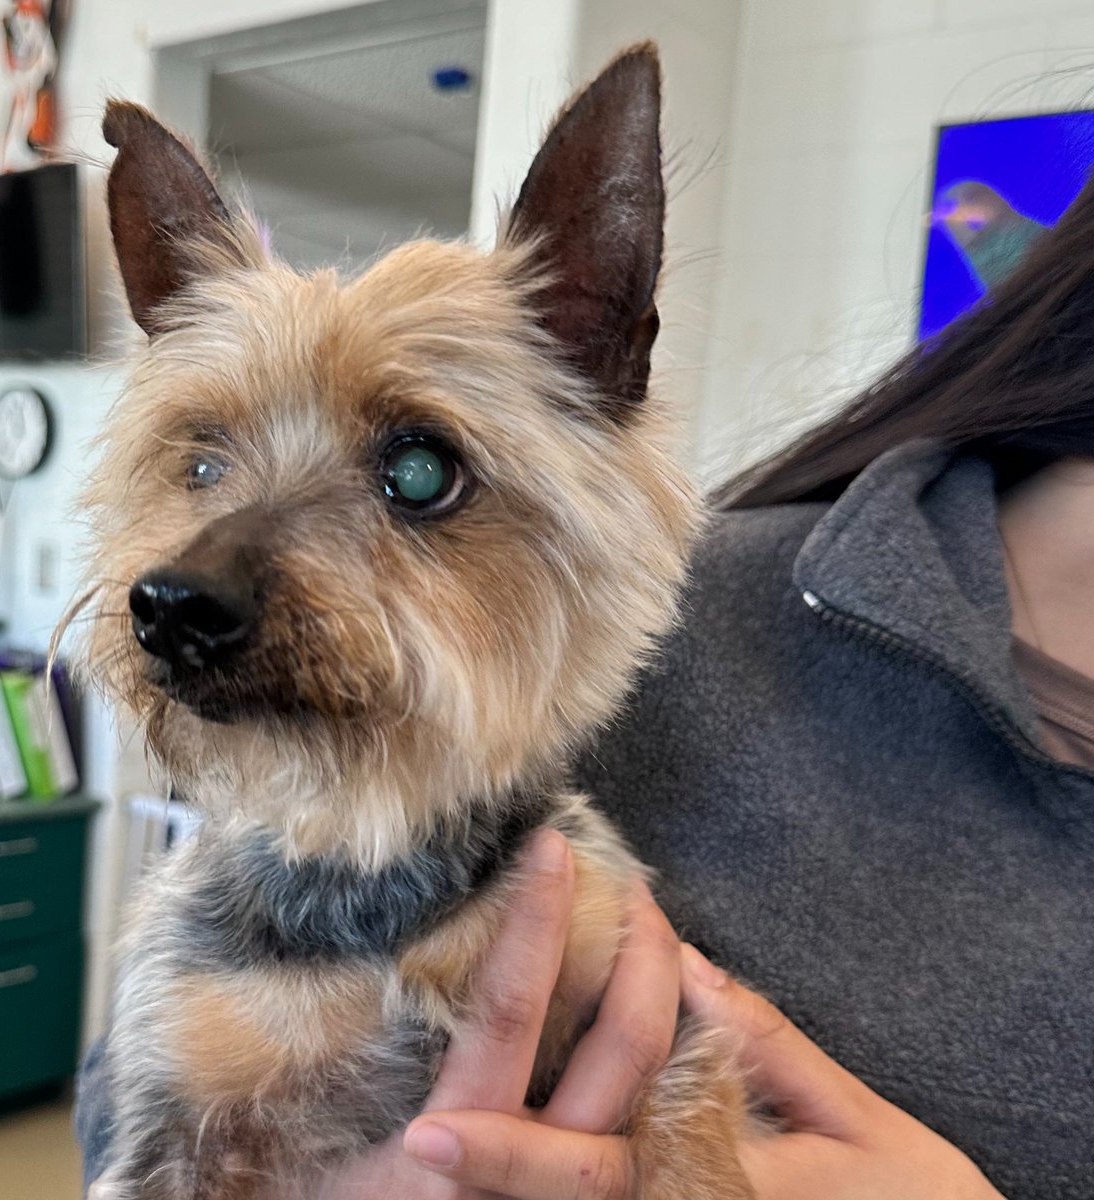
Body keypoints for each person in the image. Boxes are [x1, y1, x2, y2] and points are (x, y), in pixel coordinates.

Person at [79, 168, 1094, 1200]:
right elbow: (119, 1131)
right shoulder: (753, 602)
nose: (199, 569)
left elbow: (686, 1067)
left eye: (416, 471)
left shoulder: (578, 851)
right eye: (204, 465)